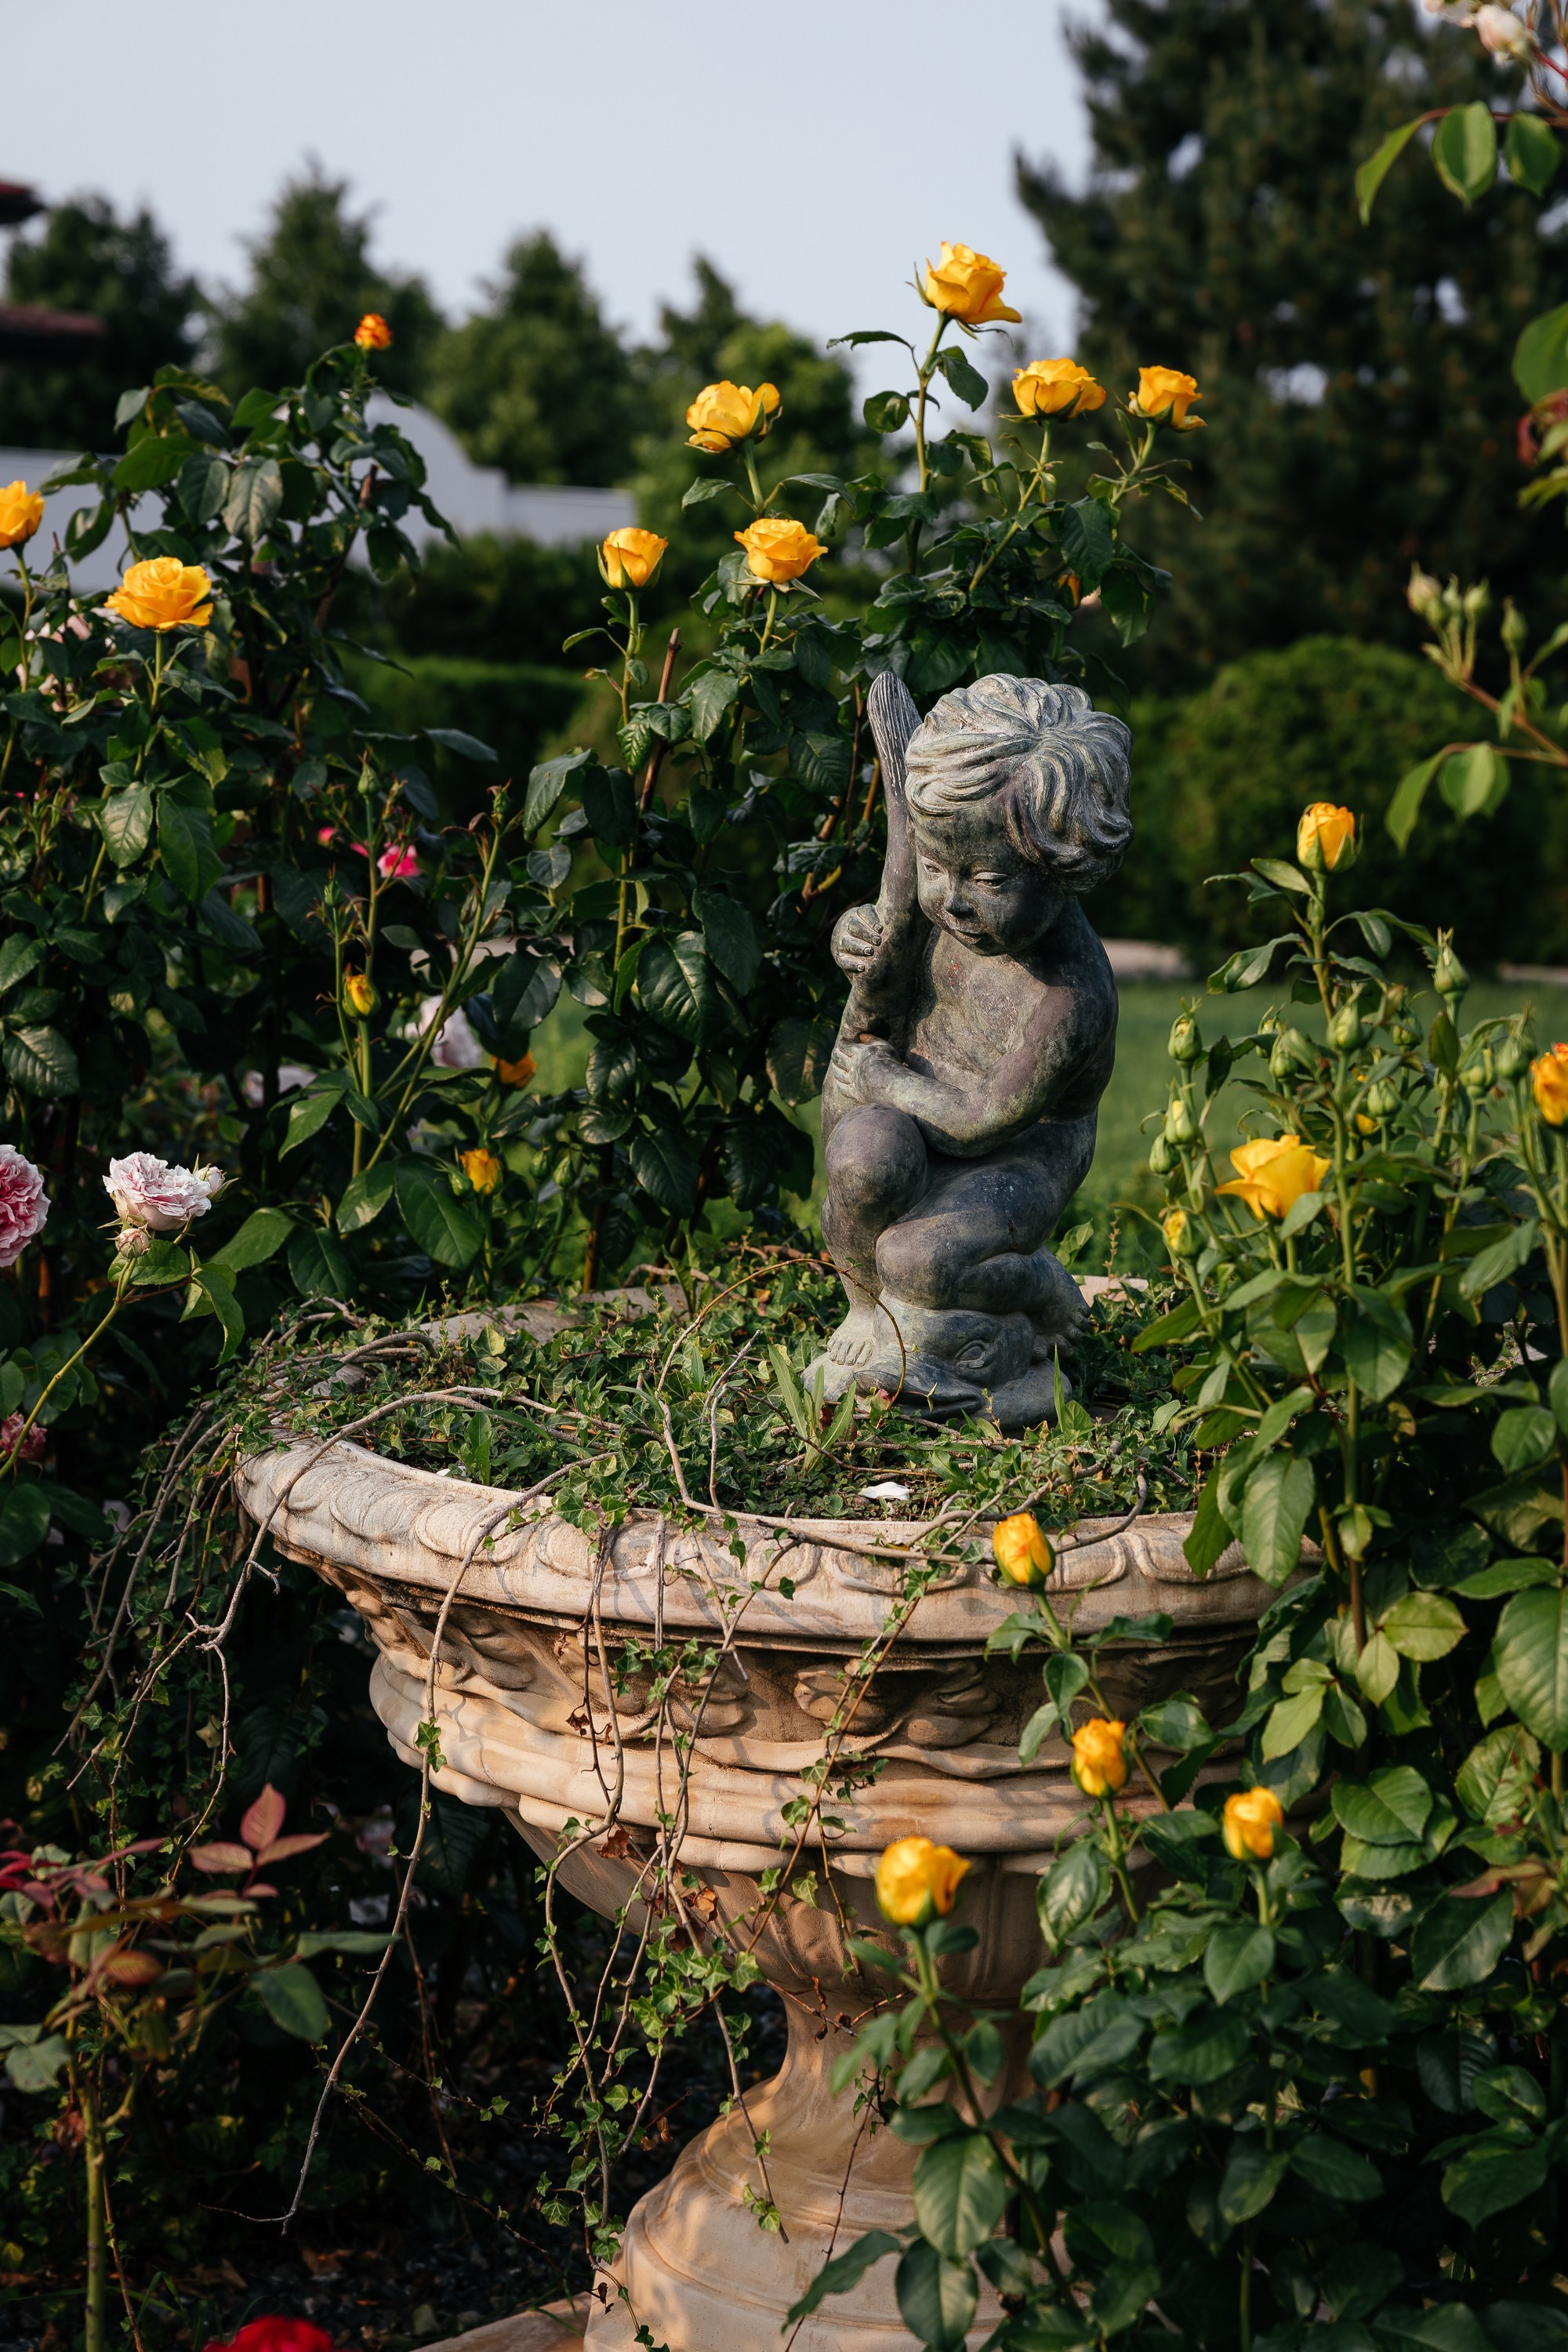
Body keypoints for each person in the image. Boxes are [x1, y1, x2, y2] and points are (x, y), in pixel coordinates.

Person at [814, 671, 1130, 1425]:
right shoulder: (943, 903)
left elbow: (980, 1121)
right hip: (914, 1098)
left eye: (988, 878)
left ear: (1064, 867)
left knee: (916, 1259)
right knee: (859, 1165)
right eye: (935, 868)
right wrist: (852, 936)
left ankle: (1034, 1287)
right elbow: (887, 916)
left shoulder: (1071, 996)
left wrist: (882, 1077)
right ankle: (870, 1314)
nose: (952, 900)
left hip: (1017, 1152)